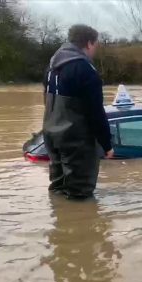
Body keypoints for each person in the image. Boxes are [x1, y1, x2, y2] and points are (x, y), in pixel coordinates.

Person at [43, 24, 114, 199]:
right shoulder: (85, 69)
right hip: (76, 140)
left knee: (58, 187)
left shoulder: (51, 68)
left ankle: (60, 222)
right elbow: (95, 112)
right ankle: (79, 224)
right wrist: (107, 144)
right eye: (95, 46)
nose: (94, 51)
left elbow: (46, 101)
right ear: (89, 43)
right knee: (80, 193)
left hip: (52, 136)